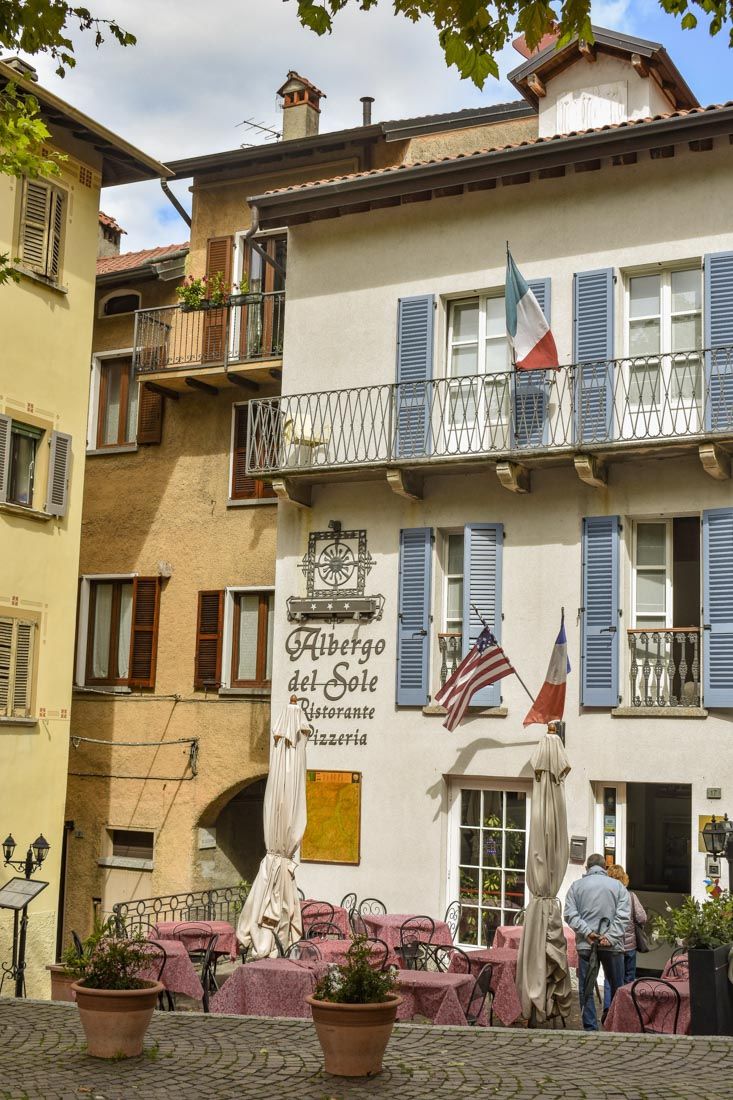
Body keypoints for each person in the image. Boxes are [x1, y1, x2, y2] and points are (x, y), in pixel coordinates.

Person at [564, 853, 630, 1031]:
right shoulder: (618, 887)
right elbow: (623, 916)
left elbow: (570, 914)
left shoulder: (576, 886)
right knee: (617, 987)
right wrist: (610, 937)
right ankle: (617, 1024)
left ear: (587, 868)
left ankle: (590, 1027)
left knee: (586, 988)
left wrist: (587, 932)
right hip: (612, 946)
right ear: (604, 868)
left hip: (587, 944)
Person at [602, 864, 647, 1012]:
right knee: (629, 978)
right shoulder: (631, 896)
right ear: (624, 879)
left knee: (610, 979)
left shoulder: (606, 898)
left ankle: (609, 1009)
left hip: (612, 945)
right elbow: (642, 917)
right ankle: (626, 1010)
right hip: (629, 946)